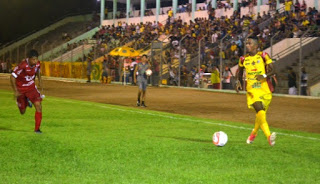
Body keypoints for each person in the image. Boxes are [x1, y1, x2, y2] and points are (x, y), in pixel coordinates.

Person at [235, 36, 276, 146]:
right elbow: (239, 72)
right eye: (246, 43)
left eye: (249, 43)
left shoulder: (263, 56)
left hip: (264, 89)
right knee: (260, 111)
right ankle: (269, 136)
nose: (247, 45)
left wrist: (263, 75)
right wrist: (238, 82)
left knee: (260, 115)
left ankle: (253, 134)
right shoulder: (243, 59)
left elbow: (273, 69)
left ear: (256, 46)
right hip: (252, 90)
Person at [10, 49, 43, 133]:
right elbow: (12, 76)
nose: (35, 61)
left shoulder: (37, 63)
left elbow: (38, 71)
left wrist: (39, 81)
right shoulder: (22, 65)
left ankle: (37, 129)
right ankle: (25, 102)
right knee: (22, 112)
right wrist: (16, 91)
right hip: (21, 89)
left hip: (31, 88)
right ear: (29, 59)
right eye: (33, 59)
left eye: (36, 59)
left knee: (38, 105)